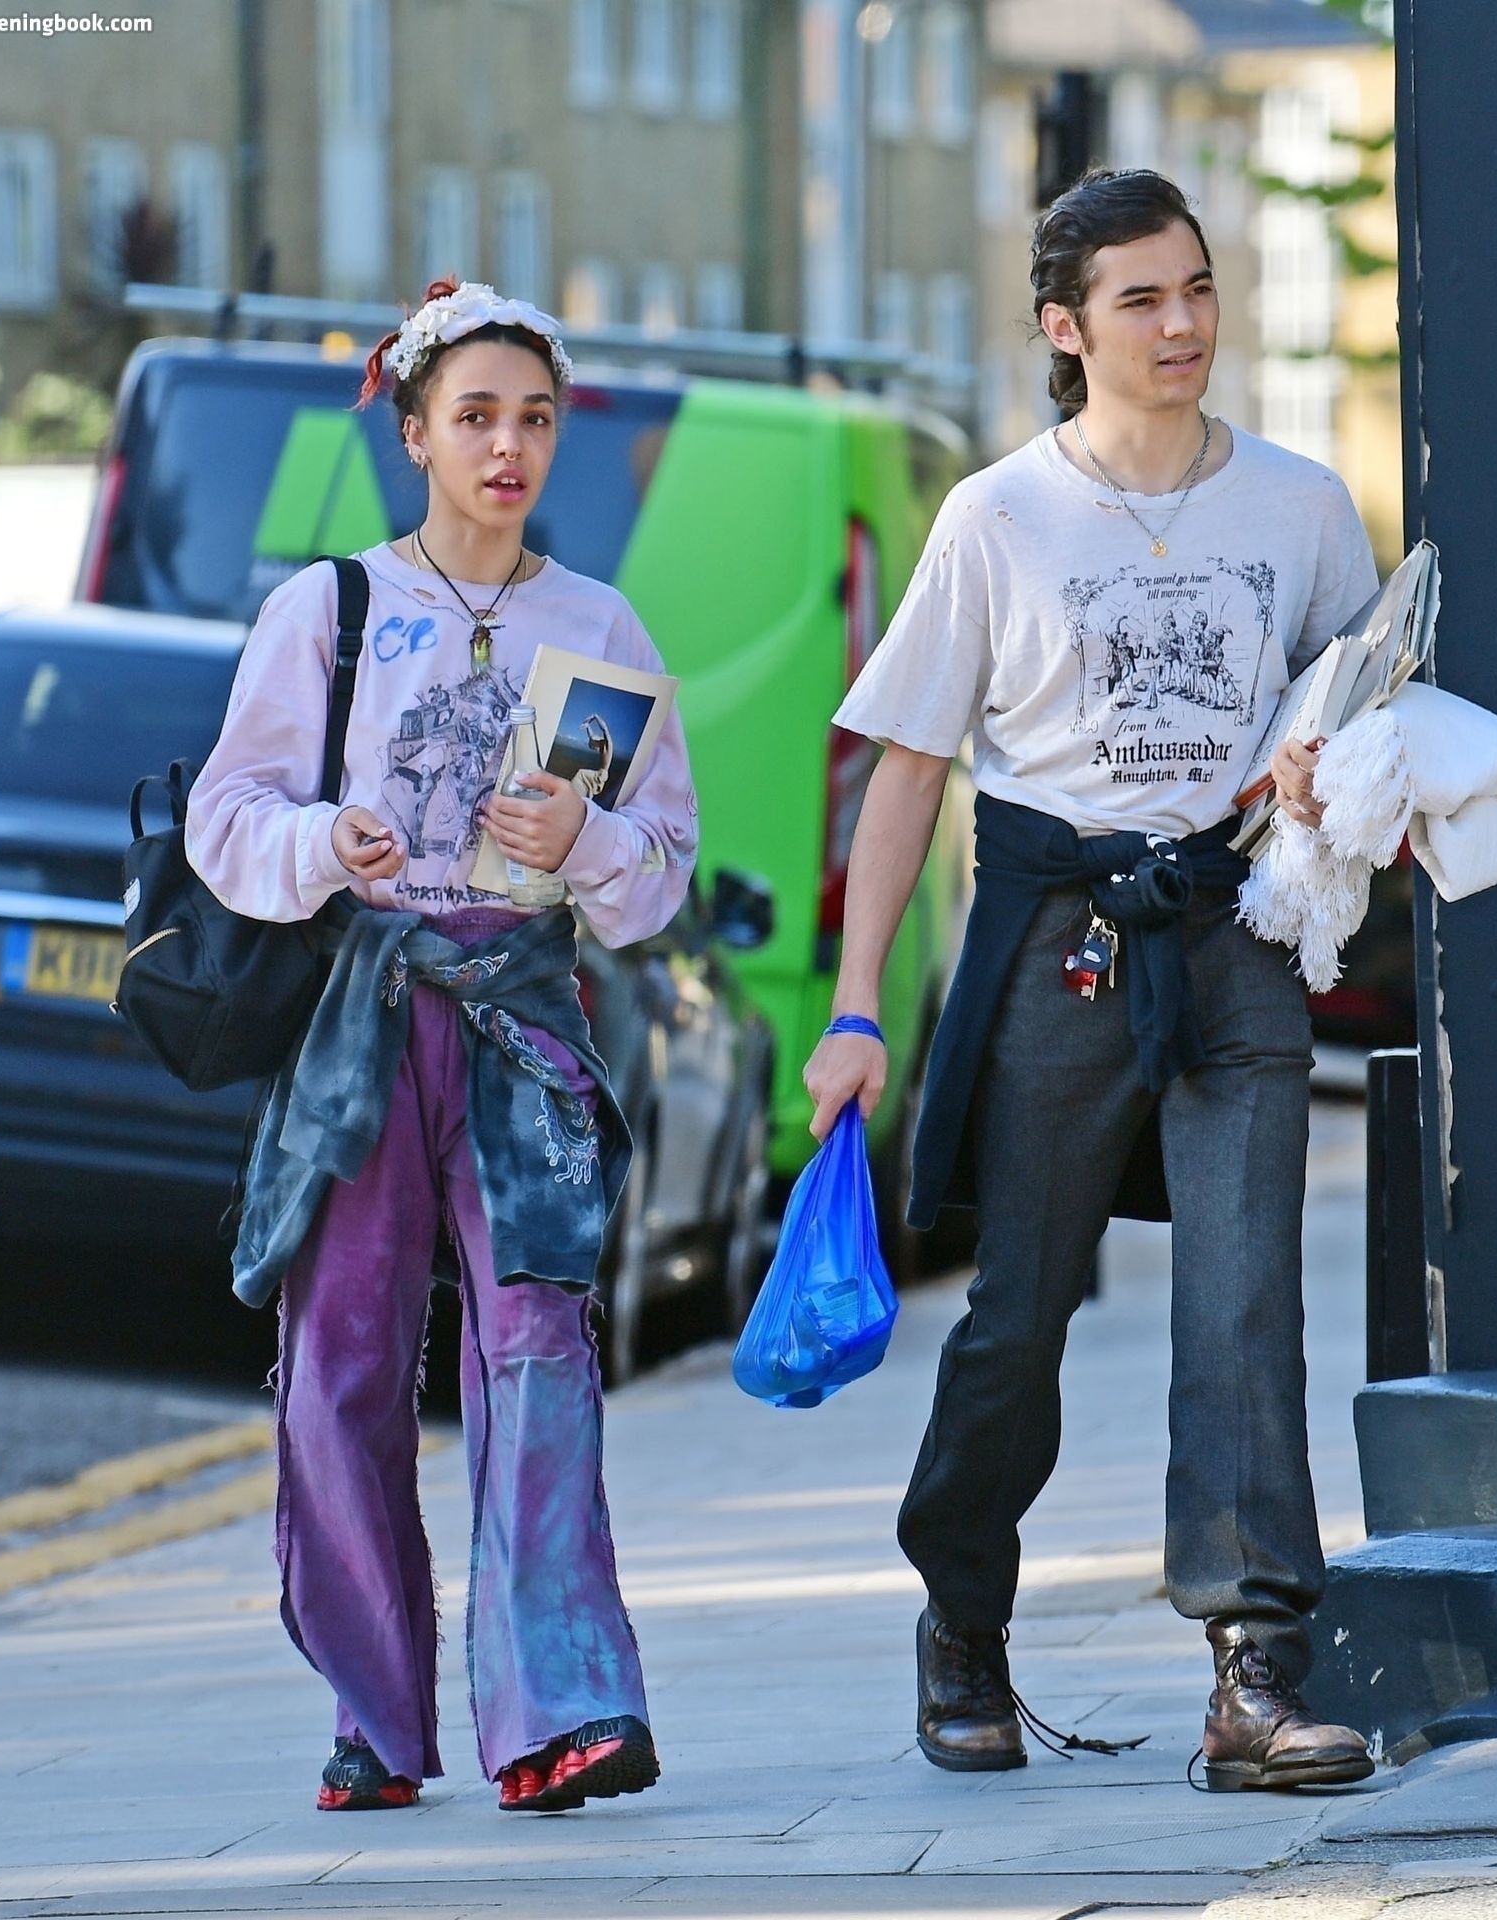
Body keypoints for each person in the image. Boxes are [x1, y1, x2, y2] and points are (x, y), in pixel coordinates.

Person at [804, 170, 1379, 1794]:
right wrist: (855, 1009)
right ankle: (961, 1619)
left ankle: (1255, 1673)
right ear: (1065, 328)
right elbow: (907, 767)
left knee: (1245, 1302)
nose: (1182, 323)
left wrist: (1331, 772)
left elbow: (1360, 707)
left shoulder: (1299, 505)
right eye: (1142, 299)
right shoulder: (997, 515)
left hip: (1234, 930)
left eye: (1196, 289)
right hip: (1058, 940)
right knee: (1019, 1314)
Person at [186, 278, 698, 1815]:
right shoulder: (328, 609)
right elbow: (227, 814)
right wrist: (321, 843)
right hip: (361, 1007)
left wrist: (585, 837)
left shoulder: (597, 626)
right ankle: (373, 1713)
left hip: (525, 1015)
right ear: (412, 432)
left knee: (539, 1347)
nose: (506, 447)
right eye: (474, 416)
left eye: (533, 418)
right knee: (339, 1366)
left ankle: (558, 1710)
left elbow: (660, 877)